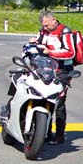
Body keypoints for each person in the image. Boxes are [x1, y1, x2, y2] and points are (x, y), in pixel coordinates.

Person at [33, 10, 76, 144]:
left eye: (47, 25)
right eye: (43, 26)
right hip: (46, 69)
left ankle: (59, 135)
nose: (45, 28)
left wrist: (50, 52)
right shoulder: (43, 31)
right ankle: (45, 132)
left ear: (54, 20)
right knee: (43, 98)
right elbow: (39, 44)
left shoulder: (65, 31)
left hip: (63, 71)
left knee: (59, 102)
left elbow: (70, 53)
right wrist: (34, 43)